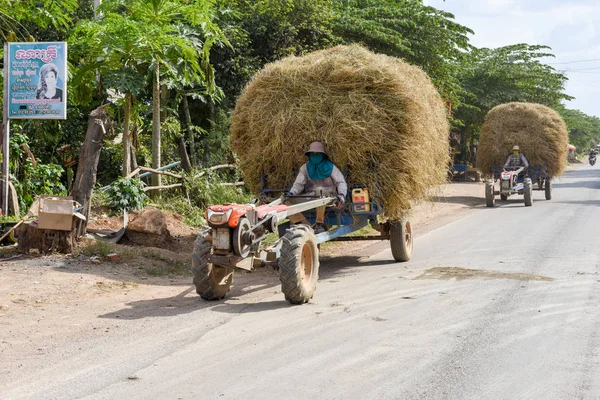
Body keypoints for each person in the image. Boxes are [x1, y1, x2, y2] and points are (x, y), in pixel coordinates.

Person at [287, 141, 347, 233]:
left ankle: (319, 224)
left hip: (329, 197)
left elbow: (340, 181)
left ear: (322, 155)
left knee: (320, 190)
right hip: (311, 196)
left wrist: (342, 195)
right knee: (286, 200)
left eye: (318, 154)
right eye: (313, 154)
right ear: (309, 155)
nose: (315, 156)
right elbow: (298, 184)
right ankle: (303, 223)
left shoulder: (330, 167)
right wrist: (292, 193)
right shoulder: (305, 168)